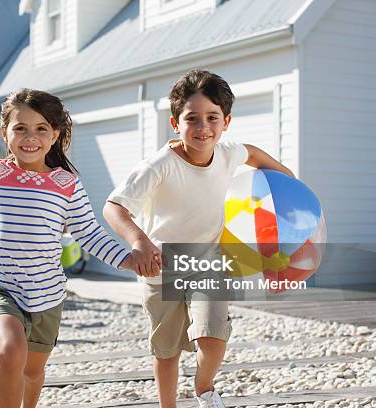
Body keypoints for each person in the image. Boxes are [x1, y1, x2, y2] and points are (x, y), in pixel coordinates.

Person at [0, 88, 135, 408]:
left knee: (32, 373)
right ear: (5, 133)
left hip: (46, 295)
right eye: (20, 128)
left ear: (55, 136)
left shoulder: (66, 185)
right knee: (10, 352)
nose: (29, 137)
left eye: (40, 129)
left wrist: (129, 259)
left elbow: (89, 234)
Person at [103, 70, 294, 408]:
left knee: (214, 335)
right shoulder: (158, 165)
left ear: (226, 122)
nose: (203, 127)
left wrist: (287, 181)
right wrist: (139, 242)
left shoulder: (227, 153)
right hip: (161, 266)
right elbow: (114, 208)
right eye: (192, 119)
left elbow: (253, 154)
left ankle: (204, 388)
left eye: (212, 118)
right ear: (176, 123)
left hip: (208, 262)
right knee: (167, 350)